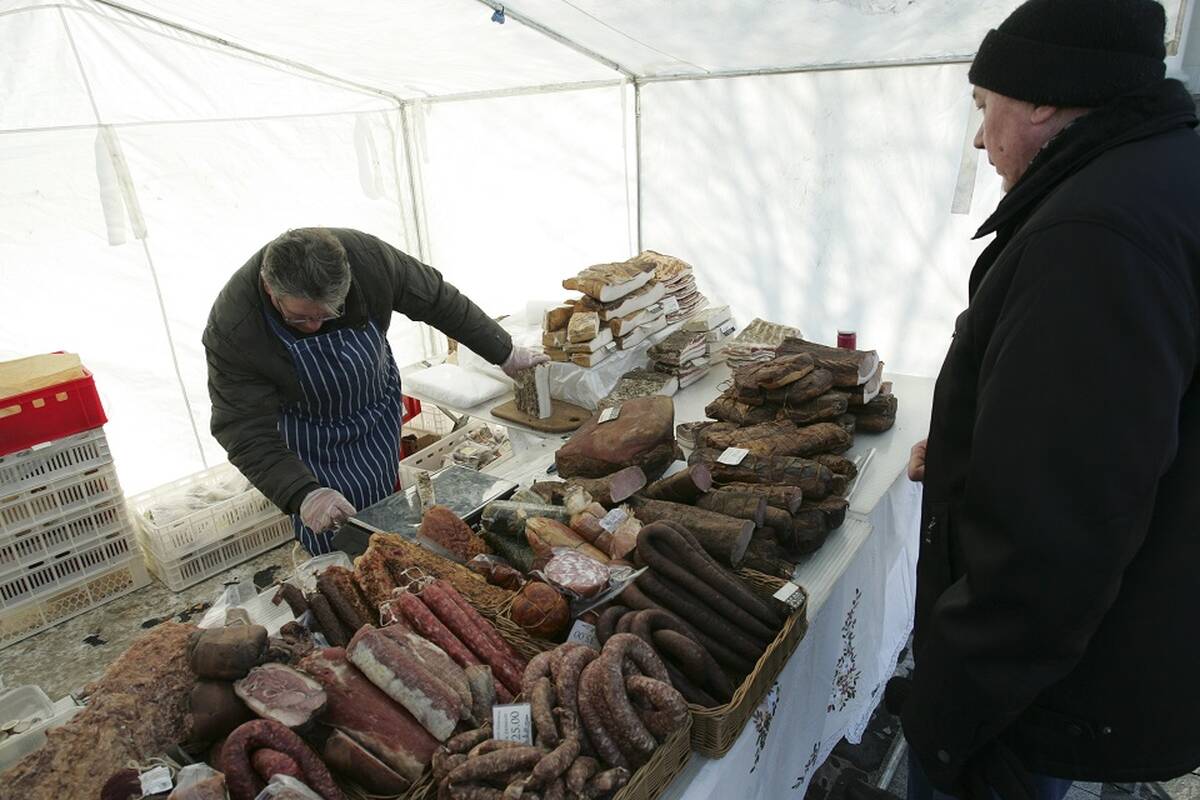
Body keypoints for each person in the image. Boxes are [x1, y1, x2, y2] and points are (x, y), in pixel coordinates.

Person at [900, 0, 1200, 797]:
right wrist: (970, 452)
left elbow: (1054, 539)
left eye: (981, 104)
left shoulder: (1094, 234)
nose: (976, 136)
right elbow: (1113, 439)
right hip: (1106, 660)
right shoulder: (1158, 177)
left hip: (1038, 710)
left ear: (1039, 97)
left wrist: (943, 716)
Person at [203, 227, 546, 554]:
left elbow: (439, 300)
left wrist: (503, 351)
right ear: (268, 287)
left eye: (329, 313)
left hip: (373, 405)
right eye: (299, 318)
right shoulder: (234, 327)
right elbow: (242, 428)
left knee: (385, 506)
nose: (315, 326)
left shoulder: (369, 260)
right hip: (310, 434)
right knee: (334, 533)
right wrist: (303, 494)